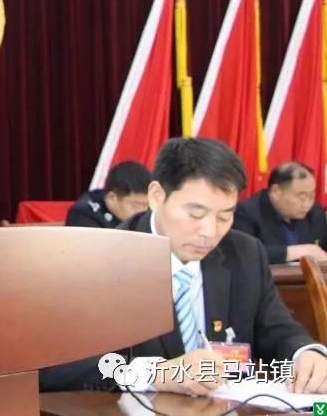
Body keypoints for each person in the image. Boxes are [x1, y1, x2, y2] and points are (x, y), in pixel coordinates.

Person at [40, 138, 327, 395]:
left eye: (224, 217)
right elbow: (51, 366)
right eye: (195, 214)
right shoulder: (100, 261)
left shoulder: (245, 253)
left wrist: (306, 353)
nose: (210, 232)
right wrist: (155, 374)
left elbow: (278, 330)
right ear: (156, 196)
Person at [232, 162, 327, 264]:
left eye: (311, 196)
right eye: (302, 197)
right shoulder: (246, 212)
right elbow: (245, 254)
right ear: (276, 191)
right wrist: (297, 252)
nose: (307, 204)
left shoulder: (315, 212)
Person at [66, 161, 150, 228]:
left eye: (147, 205)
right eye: (137, 205)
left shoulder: (147, 214)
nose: (144, 211)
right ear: (112, 197)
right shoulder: (84, 214)